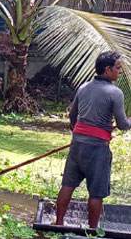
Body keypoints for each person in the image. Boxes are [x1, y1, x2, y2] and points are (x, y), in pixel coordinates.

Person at [55, 51, 131, 228]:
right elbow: (122, 125)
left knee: (68, 184)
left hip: (78, 144)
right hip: (97, 148)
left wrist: (81, 134)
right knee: (96, 192)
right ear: (107, 69)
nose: (120, 72)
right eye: (118, 68)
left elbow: (73, 117)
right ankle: (93, 230)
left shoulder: (83, 87)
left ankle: (58, 222)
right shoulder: (115, 93)